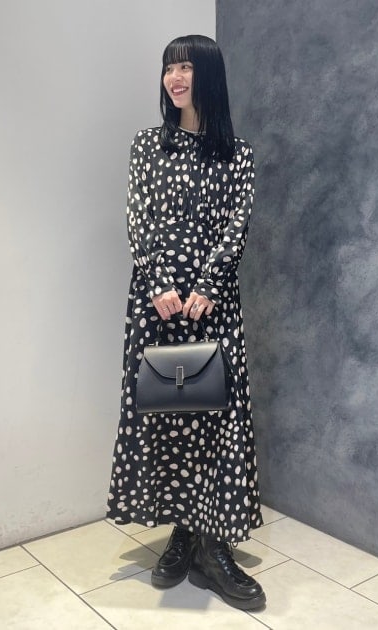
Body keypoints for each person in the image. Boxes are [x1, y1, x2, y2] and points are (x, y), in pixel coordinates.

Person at [106, 34, 265, 611]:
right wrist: (158, 282)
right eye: (169, 68)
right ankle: (182, 533)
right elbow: (138, 217)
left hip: (211, 307)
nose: (174, 78)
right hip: (158, 306)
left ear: (209, 77)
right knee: (168, 417)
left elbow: (237, 224)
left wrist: (207, 286)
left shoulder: (237, 154)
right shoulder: (148, 145)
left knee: (214, 419)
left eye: (186, 68)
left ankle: (212, 546)